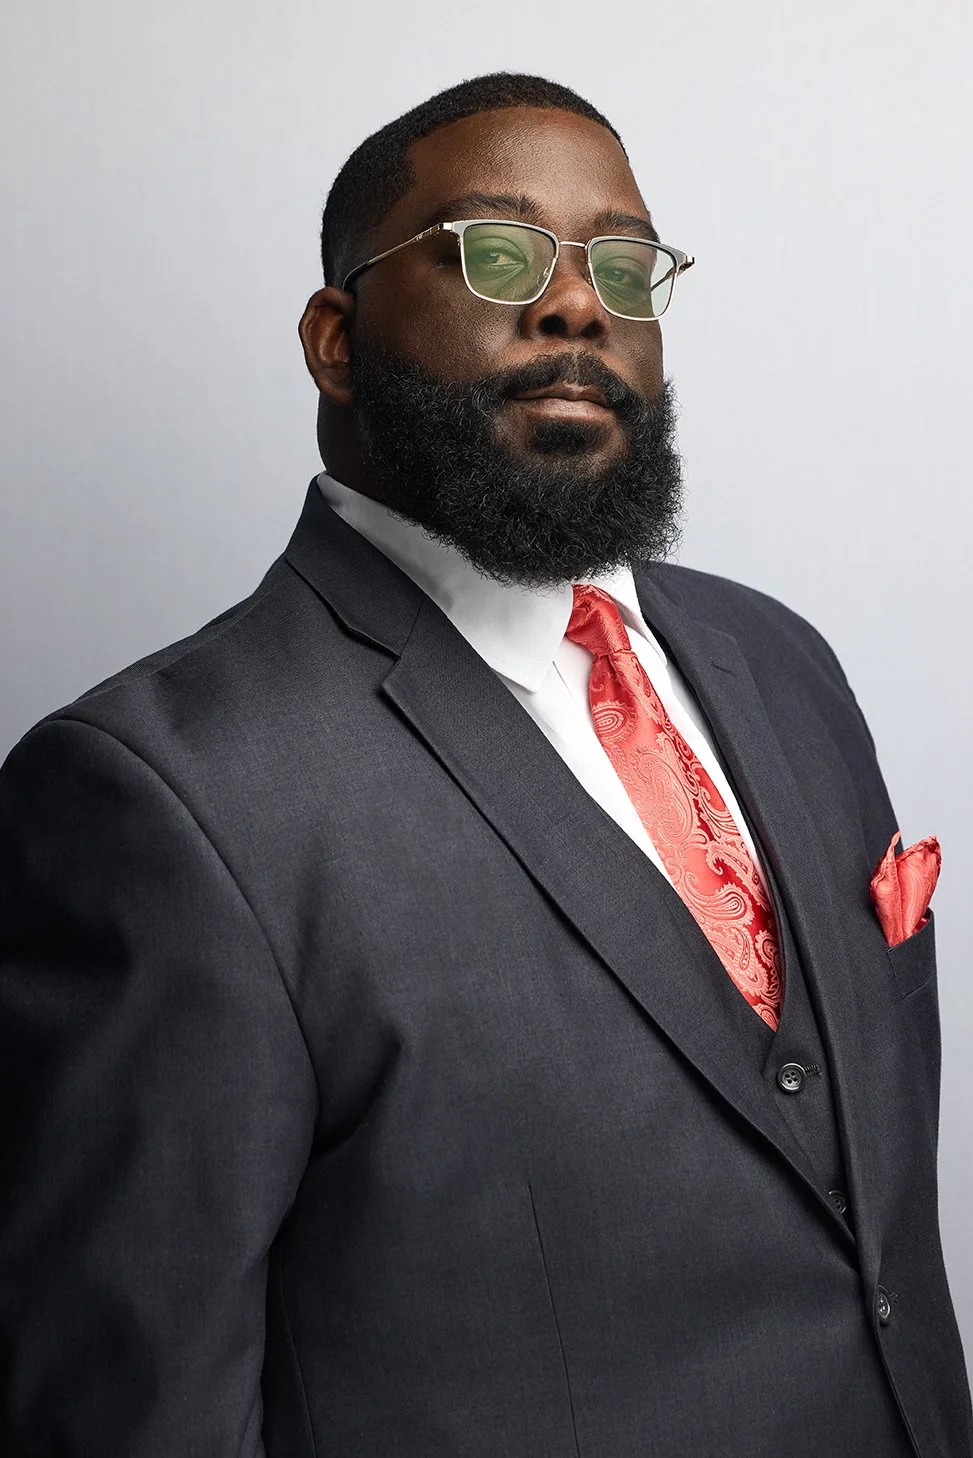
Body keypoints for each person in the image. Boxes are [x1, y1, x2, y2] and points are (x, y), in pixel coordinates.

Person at [0, 70, 969, 1458]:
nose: (579, 303)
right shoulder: (160, 800)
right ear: (335, 340)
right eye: (495, 253)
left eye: (623, 267)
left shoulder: (788, 668)